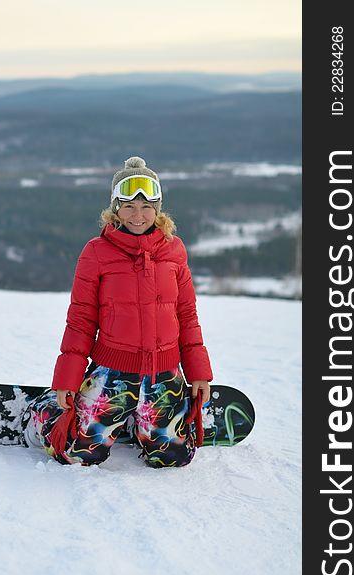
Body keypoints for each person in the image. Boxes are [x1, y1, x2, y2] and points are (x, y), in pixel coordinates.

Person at [24, 156, 213, 467]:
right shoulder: (96, 252)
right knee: (76, 454)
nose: (138, 215)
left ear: (158, 208)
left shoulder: (174, 250)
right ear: (115, 209)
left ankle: (139, 420)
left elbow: (187, 314)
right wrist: (67, 380)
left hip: (163, 373)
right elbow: (81, 320)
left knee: (173, 458)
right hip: (113, 371)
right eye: (128, 206)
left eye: (146, 206)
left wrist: (198, 373)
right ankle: (44, 411)